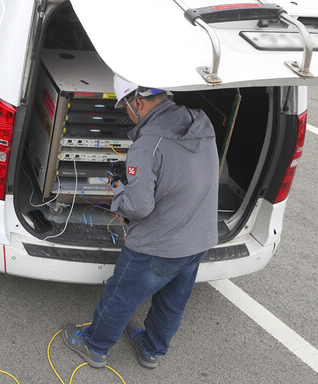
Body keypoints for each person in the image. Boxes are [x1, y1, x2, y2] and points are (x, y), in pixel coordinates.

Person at [62, 75, 218, 370]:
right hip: (199, 237)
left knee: (121, 294)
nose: (126, 112)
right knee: (173, 300)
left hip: (158, 244)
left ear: (139, 101)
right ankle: (151, 350)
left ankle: (94, 346)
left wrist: (119, 193)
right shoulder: (201, 121)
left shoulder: (147, 145)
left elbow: (139, 207)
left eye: (126, 105)